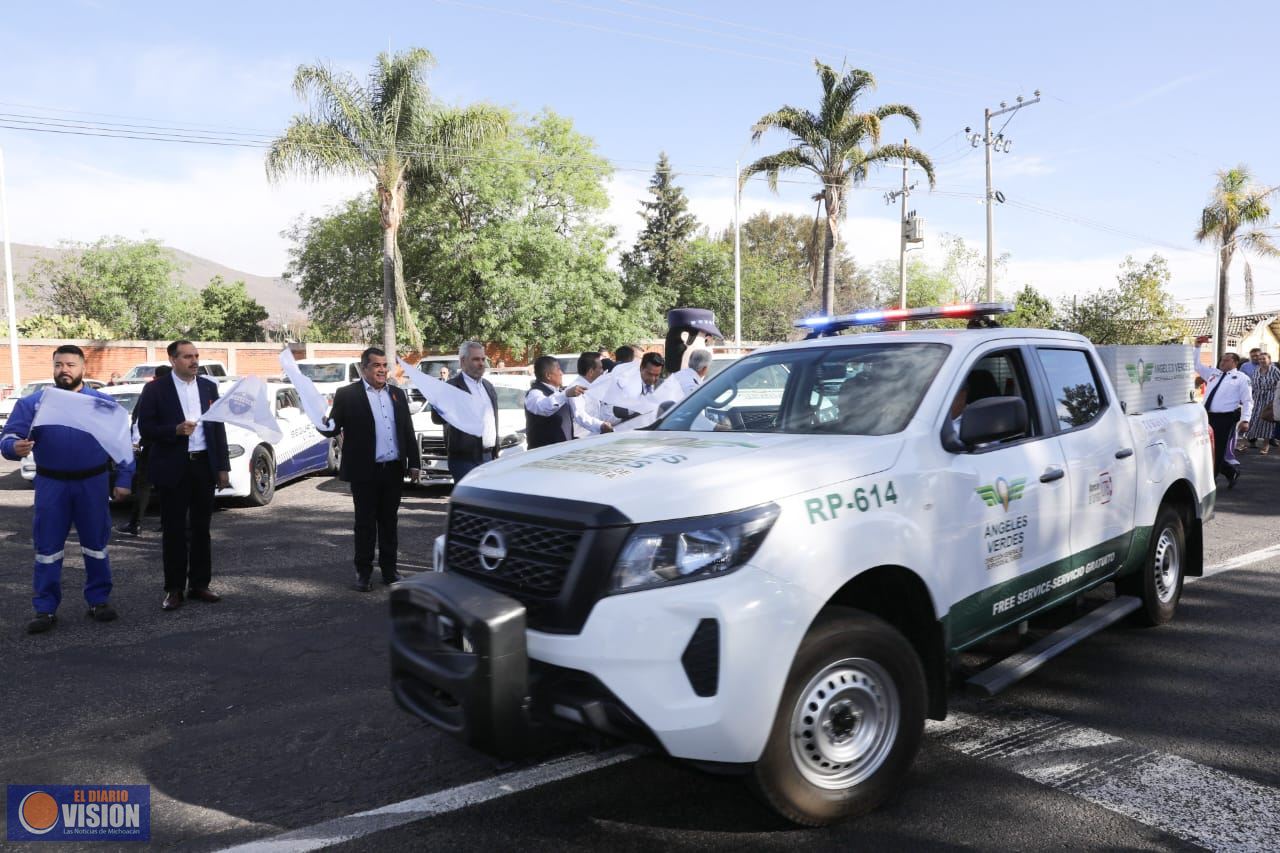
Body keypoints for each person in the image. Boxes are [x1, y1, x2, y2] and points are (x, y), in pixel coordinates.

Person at [1, 345, 135, 634]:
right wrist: (14, 446)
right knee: (47, 548)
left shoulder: (101, 403)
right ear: (53, 368)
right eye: (59, 364)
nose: (65, 370)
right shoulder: (34, 404)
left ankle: (99, 600)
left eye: (71, 365)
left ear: (83, 368)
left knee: (96, 546)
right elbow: (9, 436)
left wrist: (124, 479)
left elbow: (122, 443)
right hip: (52, 484)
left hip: (93, 483)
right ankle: (45, 608)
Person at [136, 340, 231, 611]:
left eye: (197, 356)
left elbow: (217, 429)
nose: (194, 361)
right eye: (188, 357)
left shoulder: (208, 387)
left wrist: (222, 467)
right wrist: (174, 430)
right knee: (174, 530)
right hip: (173, 466)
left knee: (202, 529)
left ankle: (200, 584)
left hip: (203, 465)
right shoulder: (155, 389)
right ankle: (174, 588)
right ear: (173, 360)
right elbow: (146, 428)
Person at [323, 348, 420, 592]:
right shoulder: (347, 394)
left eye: (384, 365)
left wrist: (415, 462)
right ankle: (363, 572)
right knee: (364, 524)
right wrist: (321, 422)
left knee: (389, 522)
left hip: (393, 470)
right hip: (365, 472)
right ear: (364, 368)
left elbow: (407, 430)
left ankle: (390, 570)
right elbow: (332, 428)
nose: (382, 370)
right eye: (376, 365)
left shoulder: (397, 394)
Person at [434, 341, 500, 482]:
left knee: (486, 502)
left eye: (483, 359)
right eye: (476, 359)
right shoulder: (452, 387)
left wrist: (495, 452)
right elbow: (437, 418)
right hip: (464, 460)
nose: (481, 363)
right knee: (471, 502)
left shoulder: (488, 386)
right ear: (463, 361)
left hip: (488, 456)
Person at [118, 364, 170, 537]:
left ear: (155, 377)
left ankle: (136, 524)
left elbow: (138, 418)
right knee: (167, 487)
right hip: (171, 445)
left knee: (144, 485)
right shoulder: (177, 391)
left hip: (150, 444)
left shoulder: (151, 389)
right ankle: (167, 523)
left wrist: (136, 442)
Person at [1196, 352, 1252, 489]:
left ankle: (1211, 482)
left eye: (1226, 360)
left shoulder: (1241, 378)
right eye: (1222, 359)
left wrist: (1245, 420)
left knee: (1218, 450)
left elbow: (1248, 401)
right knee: (1204, 448)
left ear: (1235, 362)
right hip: (1207, 416)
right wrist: (1198, 347)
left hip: (1225, 418)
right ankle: (1230, 471)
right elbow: (1196, 365)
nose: (1222, 362)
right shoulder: (1213, 374)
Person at [524, 355, 587, 449]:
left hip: (562, 451)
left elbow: (579, 416)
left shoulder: (559, 392)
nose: (562, 373)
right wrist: (565, 394)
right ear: (548, 375)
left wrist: (600, 425)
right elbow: (543, 407)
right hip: (543, 454)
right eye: (558, 370)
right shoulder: (534, 393)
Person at [569, 351, 616, 438]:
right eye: (600, 368)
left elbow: (598, 413)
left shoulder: (592, 386)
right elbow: (580, 415)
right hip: (582, 439)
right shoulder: (576, 388)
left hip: (595, 436)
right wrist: (600, 425)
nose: (603, 371)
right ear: (591, 371)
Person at [1243, 352, 1280, 453]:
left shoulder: (1275, 371)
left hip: (1270, 399)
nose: (1261, 361)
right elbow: (1253, 385)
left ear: (1269, 359)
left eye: (1264, 359)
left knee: (1267, 422)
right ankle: (1245, 442)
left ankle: (1266, 445)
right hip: (1256, 398)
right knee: (1252, 419)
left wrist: (1276, 401)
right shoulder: (1256, 371)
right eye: (1260, 359)